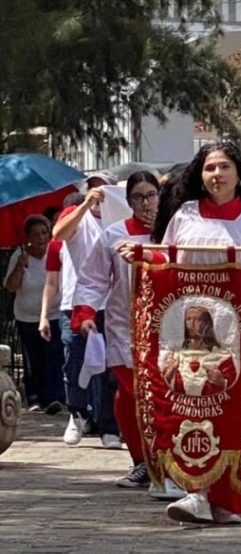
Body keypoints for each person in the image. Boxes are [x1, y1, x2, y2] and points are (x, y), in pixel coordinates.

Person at [144, 142, 241, 524]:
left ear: (239, 173)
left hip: (237, 335)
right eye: (208, 168)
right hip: (185, 329)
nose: (216, 175)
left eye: (223, 167)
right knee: (189, 404)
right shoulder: (185, 214)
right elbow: (165, 259)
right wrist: (139, 256)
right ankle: (195, 492)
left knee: (230, 412)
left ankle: (228, 500)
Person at [71, 171, 161, 486]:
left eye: (151, 195)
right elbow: (93, 278)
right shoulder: (114, 234)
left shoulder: (175, 231)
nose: (146, 202)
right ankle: (142, 462)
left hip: (171, 329)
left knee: (164, 397)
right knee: (132, 393)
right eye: (138, 197)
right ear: (129, 201)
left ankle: (170, 461)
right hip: (126, 327)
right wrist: (85, 312)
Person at [52, 173, 119, 448]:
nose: (97, 192)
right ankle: (76, 414)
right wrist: (83, 207)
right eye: (92, 187)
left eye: (103, 187)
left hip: (110, 304)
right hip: (75, 303)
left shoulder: (118, 222)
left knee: (108, 368)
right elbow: (59, 234)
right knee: (75, 361)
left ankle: (108, 426)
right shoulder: (77, 215)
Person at [4, 215, 64, 413]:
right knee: (32, 360)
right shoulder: (19, 255)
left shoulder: (56, 253)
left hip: (53, 314)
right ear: (27, 237)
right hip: (27, 316)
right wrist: (20, 266)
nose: (41, 238)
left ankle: (53, 398)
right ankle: (34, 398)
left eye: (44, 233)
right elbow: (11, 287)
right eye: (35, 234)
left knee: (53, 357)